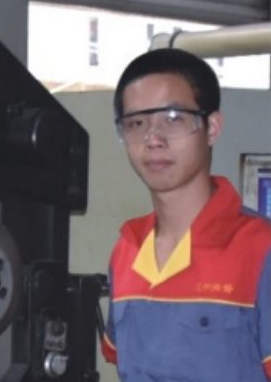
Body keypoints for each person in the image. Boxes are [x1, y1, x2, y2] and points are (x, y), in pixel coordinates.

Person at [101, 48, 271, 382]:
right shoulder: (126, 251)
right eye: (136, 123)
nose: (153, 139)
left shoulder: (260, 249)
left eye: (173, 118)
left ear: (212, 128)